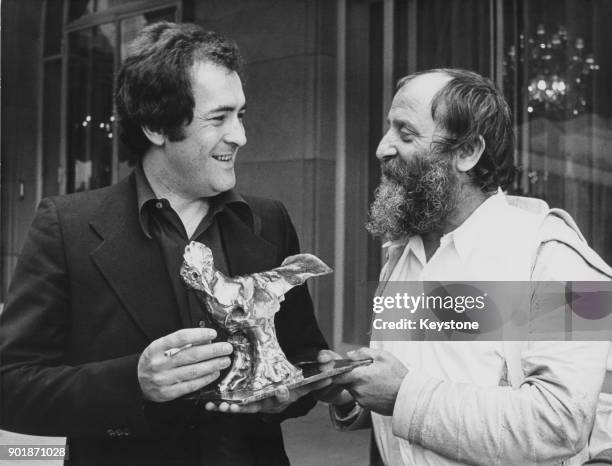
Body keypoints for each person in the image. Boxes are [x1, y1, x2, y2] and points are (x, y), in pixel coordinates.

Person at [0, 21, 328, 465]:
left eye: (241, 114)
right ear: (156, 125)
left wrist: (287, 396)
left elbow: (301, 354)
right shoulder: (67, 227)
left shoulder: (269, 220)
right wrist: (132, 382)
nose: (240, 135)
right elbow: (12, 385)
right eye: (219, 117)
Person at [317, 68, 612, 465]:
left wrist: (403, 394)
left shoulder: (559, 259)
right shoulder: (401, 254)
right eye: (389, 129)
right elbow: (410, 401)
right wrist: (348, 393)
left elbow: (560, 424)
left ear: (467, 152)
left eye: (405, 133)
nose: (382, 148)